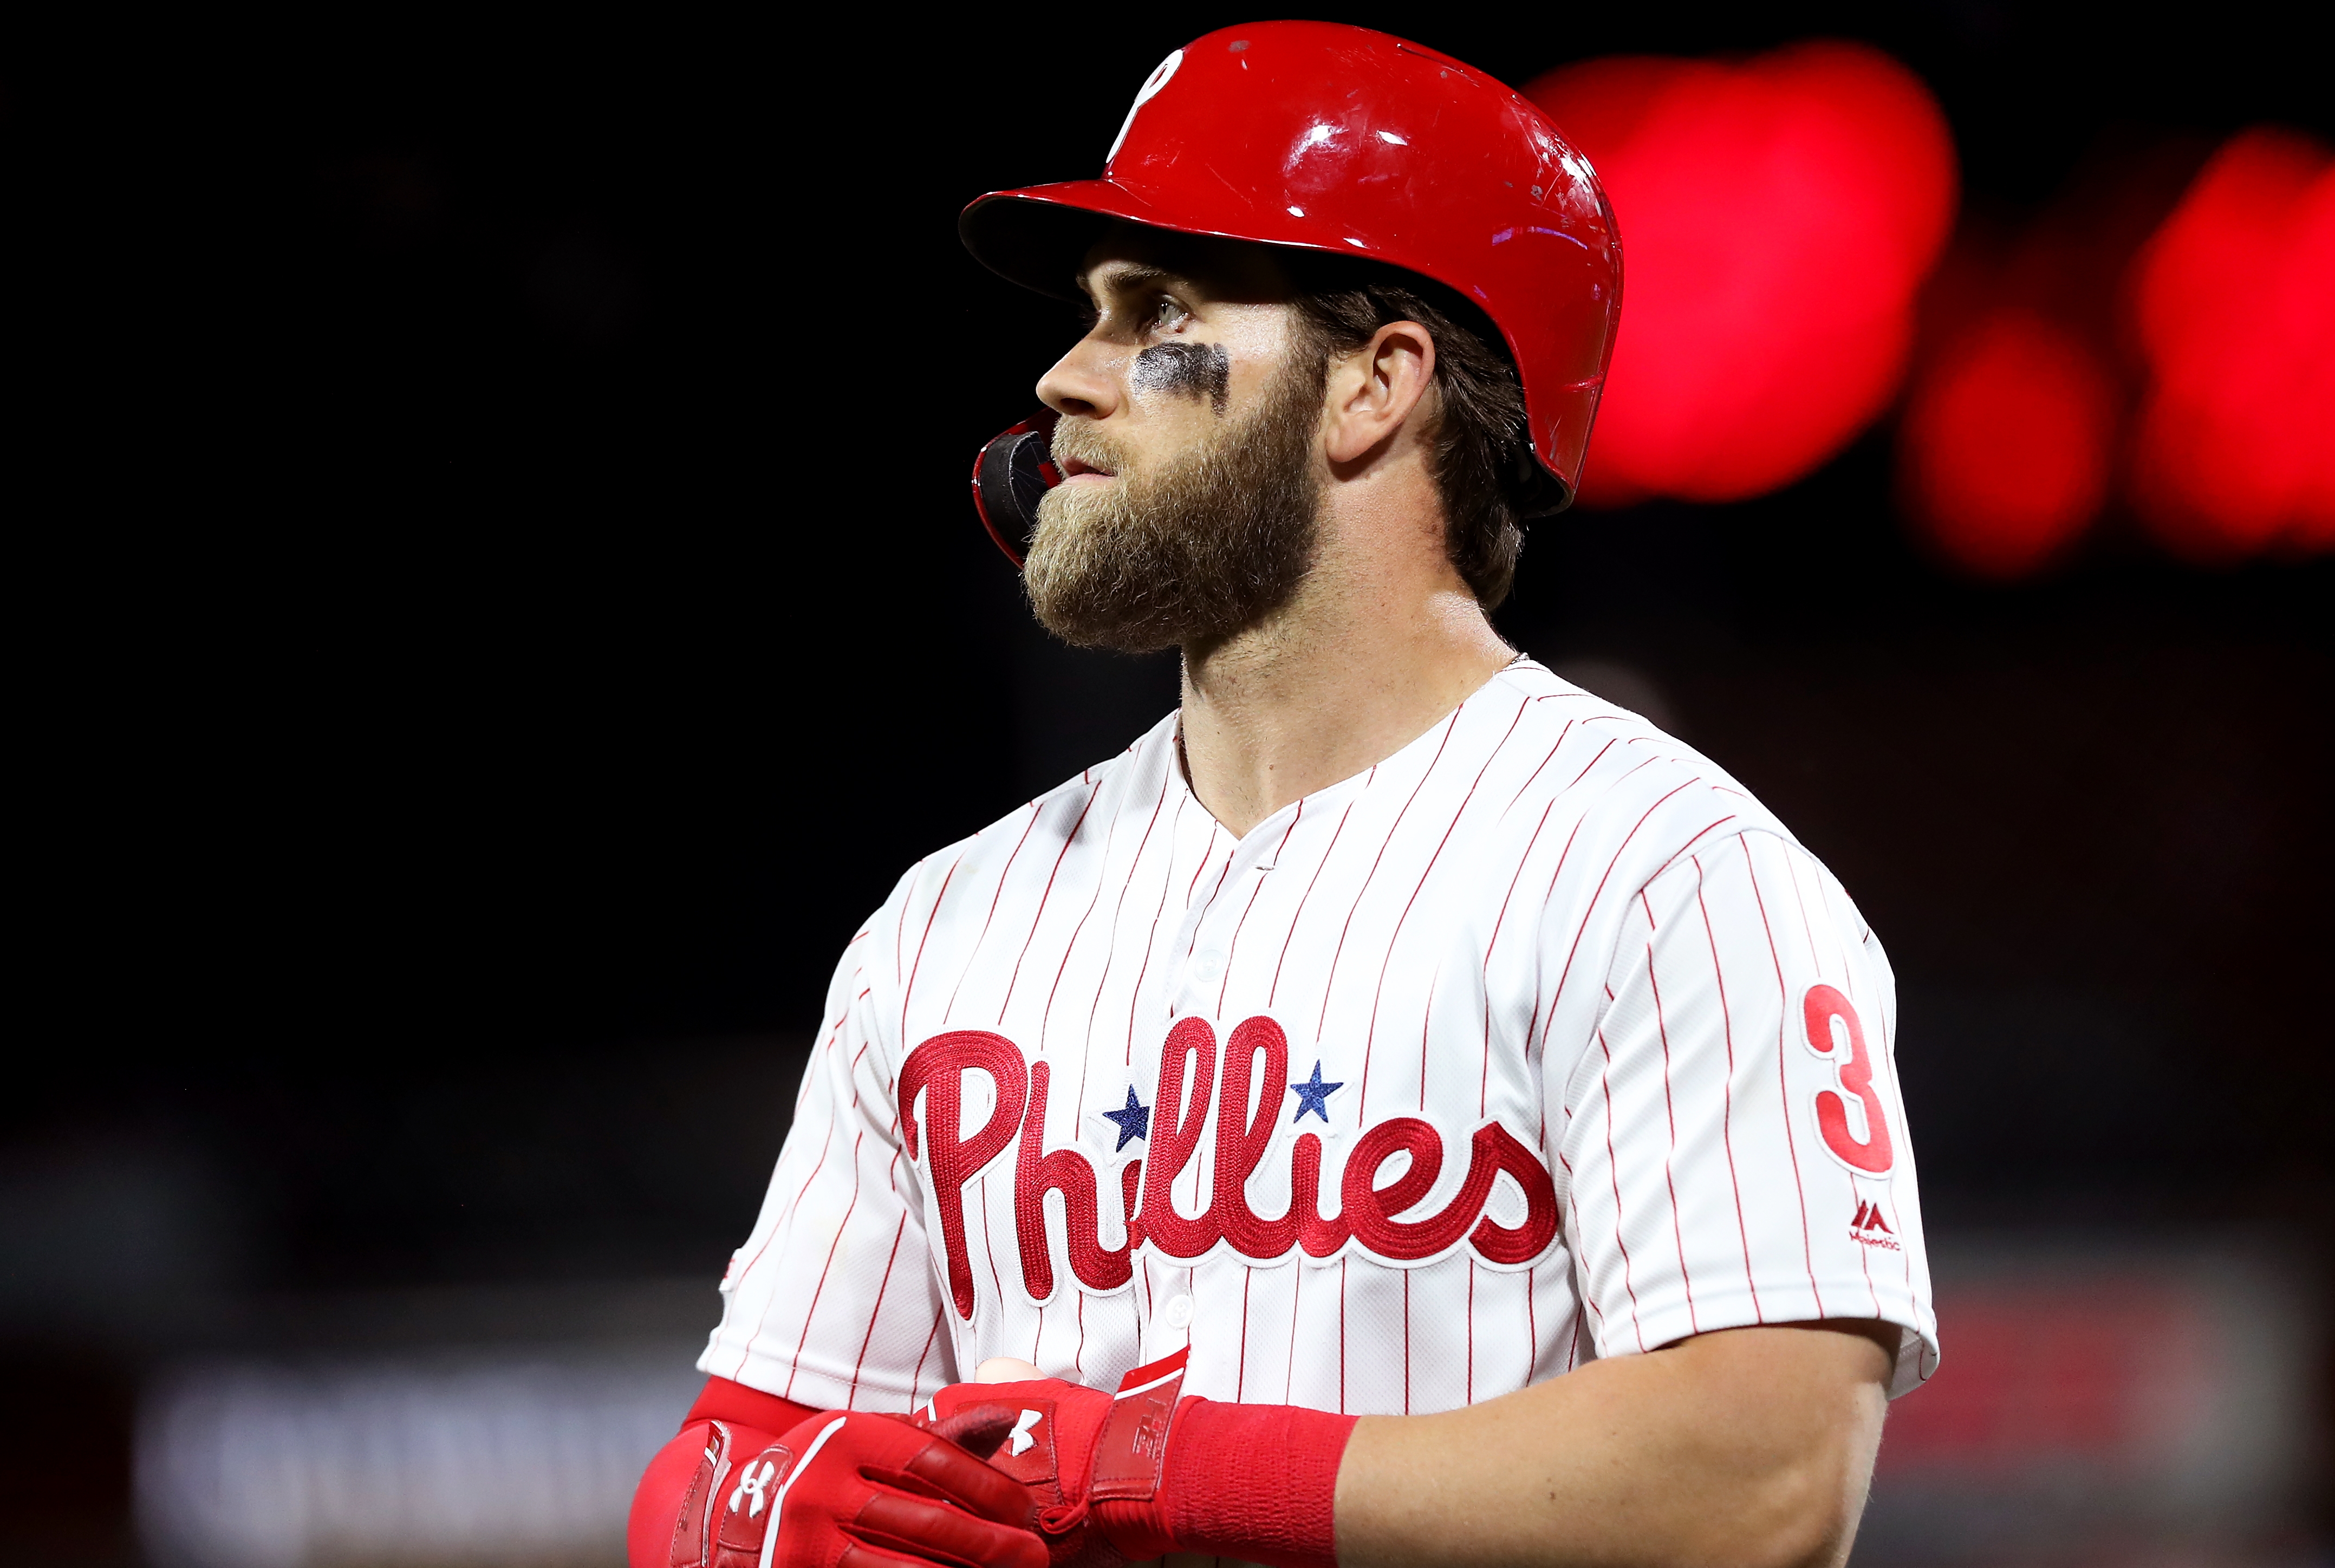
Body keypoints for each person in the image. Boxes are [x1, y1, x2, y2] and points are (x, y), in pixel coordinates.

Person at [629, 21, 1935, 1568]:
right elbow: (728, 1457)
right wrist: (767, 1516)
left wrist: (1160, 1463)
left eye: (1159, 313)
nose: (1066, 375)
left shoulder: (1664, 873)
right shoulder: (948, 924)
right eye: (1090, 318)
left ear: (1375, 388)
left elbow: (1761, 1483)